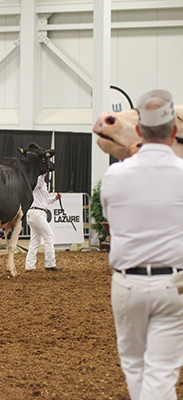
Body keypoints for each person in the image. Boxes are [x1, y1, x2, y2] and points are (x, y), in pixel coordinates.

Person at [101, 89, 183, 400]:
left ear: (139, 129)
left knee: (134, 366)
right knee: (162, 371)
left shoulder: (115, 175)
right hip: (175, 283)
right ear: (173, 131)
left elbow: (112, 218)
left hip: (127, 282)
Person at [24, 173, 62, 271]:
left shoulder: (42, 183)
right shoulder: (36, 180)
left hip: (37, 212)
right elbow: (39, 180)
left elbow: (45, 201)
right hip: (37, 213)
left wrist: (55, 198)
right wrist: (41, 173)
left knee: (35, 240)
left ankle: (29, 265)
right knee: (49, 236)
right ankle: (50, 264)